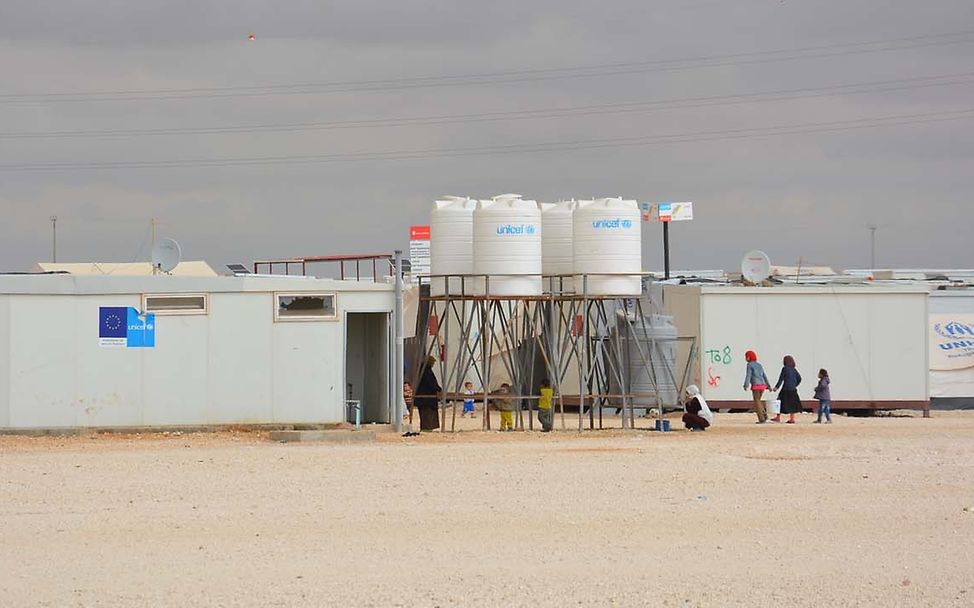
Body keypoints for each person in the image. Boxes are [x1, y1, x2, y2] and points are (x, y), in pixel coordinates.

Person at [743, 350, 772, 424]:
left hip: (756, 385)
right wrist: (768, 385)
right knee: (759, 401)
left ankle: (761, 419)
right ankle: (765, 416)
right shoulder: (759, 365)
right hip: (762, 385)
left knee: (757, 402)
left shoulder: (749, 365)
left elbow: (748, 375)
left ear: (748, 357)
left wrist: (746, 384)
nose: (745, 358)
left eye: (746, 357)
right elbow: (764, 375)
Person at [773, 355, 803, 424]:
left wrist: (776, 387)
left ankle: (778, 417)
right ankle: (792, 419)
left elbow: (781, 379)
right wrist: (795, 385)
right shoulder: (794, 369)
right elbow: (799, 378)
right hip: (793, 389)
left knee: (779, 400)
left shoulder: (785, 368)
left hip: (786, 388)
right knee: (792, 403)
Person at [415, 356, 442, 432]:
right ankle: (427, 428)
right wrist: (438, 388)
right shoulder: (427, 371)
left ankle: (426, 427)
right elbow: (431, 383)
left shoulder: (422, 370)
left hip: (423, 397)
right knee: (427, 413)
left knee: (425, 413)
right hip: (427, 398)